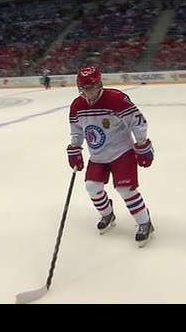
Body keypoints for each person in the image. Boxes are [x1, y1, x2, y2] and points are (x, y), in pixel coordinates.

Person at [66, 66, 155, 247]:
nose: (87, 92)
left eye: (90, 88)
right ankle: (107, 213)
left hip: (121, 152)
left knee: (126, 189)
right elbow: (76, 129)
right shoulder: (77, 105)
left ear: (99, 84)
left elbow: (137, 121)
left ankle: (144, 222)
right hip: (97, 155)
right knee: (92, 187)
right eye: (83, 88)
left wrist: (142, 143)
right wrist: (75, 148)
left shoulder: (115, 99)